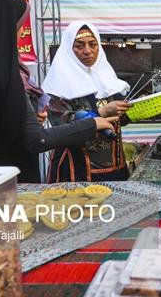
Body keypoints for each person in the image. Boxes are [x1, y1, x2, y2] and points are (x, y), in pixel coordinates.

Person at [0, 0, 117, 182]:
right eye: (18, 25)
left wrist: (23, 120)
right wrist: (92, 123)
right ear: (1, 28)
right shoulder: (3, 76)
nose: (22, 32)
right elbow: (35, 140)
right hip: (3, 190)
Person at [42, 21, 131, 182]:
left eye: (93, 44)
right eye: (79, 46)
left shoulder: (106, 78)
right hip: (76, 170)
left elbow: (120, 119)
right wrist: (102, 112)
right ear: (69, 49)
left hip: (114, 165)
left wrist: (136, 110)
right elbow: (61, 124)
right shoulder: (59, 84)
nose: (88, 51)